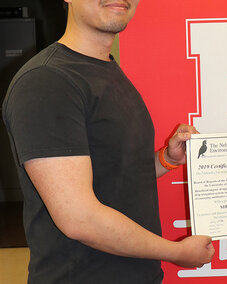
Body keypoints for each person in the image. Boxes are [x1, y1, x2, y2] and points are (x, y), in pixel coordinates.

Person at [2, 0, 214, 283]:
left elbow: (115, 175)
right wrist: (176, 252)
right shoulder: (47, 81)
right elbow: (79, 218)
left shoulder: (105, 69)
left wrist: (167, 159)